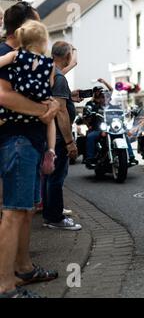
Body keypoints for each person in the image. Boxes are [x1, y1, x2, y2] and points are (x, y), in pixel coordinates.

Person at [0, 1, 59, 299]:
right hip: (18, 140)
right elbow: (3, 96)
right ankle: (5, 286)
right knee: (12, 212)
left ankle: (23, 269)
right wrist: (43, 111)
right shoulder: (5, 55)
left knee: (22, 211)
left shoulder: (26, 58)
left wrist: (50, 106)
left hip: (28, 141)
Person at [0, 20, 57, 175]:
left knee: (5, 113)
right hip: (39, 101)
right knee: (51, 120)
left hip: (20, 97)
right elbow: (50, 83)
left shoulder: (16, 55)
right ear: (44, 42)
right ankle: (51, 150)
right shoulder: (49, 63)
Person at [42, 41, 81, 231]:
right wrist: (69, 142)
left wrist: (70, 96)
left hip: (47, 135)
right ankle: (55, 218)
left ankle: (50, 212)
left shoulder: (48, 72)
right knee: (56, 177)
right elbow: (61, 111)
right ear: (66, 57)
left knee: (48, 176)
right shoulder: (58, 77)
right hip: (56, 137)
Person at [84, 87, 138, 167]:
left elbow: (121, 117)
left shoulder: (115, 108)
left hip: (113, 129)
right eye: (102, 97)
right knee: (90, 136)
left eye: (107, 96)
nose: (105, 98)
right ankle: (90, 159)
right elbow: (88, 117)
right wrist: (89, 114)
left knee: (125, 136)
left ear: (110, 98)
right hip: (99, 129)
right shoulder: (95, 108)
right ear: (99, 98)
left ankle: (131, 156)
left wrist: (129, 113)